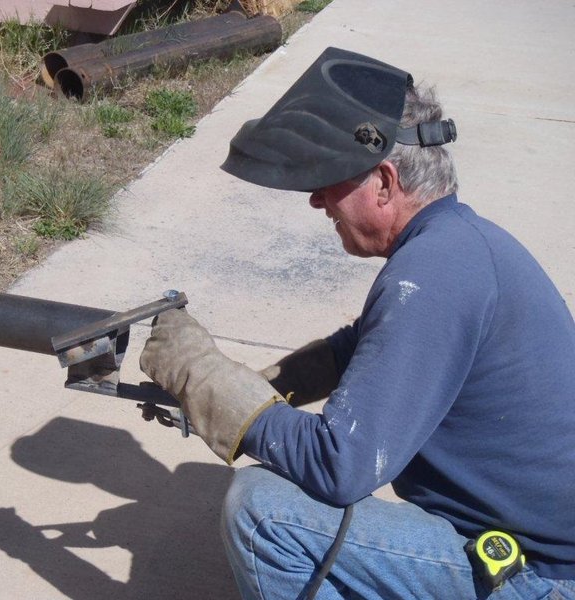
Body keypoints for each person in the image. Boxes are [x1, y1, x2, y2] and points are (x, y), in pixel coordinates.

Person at [139, 47, 575, 599]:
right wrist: (258, 385)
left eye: (328, 180)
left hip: (539, 576)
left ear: (386, 182)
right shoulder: (458, 243)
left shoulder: (432, 277)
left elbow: (340, 465)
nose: (317, 200)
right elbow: (365, 345)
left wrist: (205, 381)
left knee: (264, 511)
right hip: (538, 545)